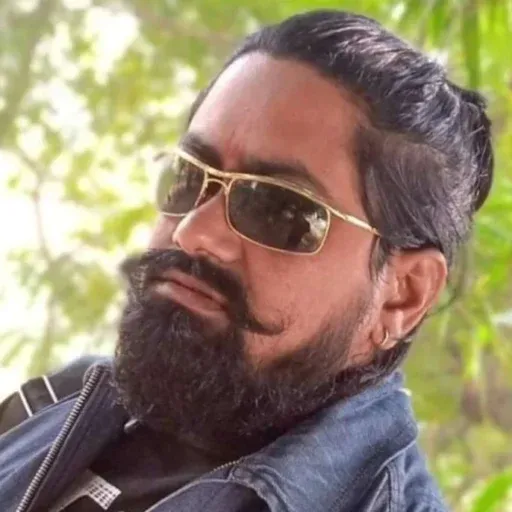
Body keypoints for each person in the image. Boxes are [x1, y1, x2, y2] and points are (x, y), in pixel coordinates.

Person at [0, 9, 493, 512]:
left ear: (402, 295)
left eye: (279, 209)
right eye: (190, 177)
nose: (194, 232)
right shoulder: (56, 404)